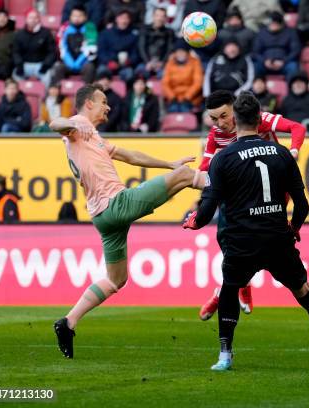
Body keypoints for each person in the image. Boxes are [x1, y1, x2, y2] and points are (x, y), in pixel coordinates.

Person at [183, 92, 309, 372]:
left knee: (229, 289)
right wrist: (294, 229)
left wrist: (193, 221)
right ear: (260, 119)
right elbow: (302, 204)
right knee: (303, 292)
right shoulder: (282, 154)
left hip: (242, 239)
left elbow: (208, 207)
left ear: (235, 119)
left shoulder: (224, 158)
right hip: (278, 237)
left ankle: (225, 355)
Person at [51, 83, 199, 359]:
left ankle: (68, 322)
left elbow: (130, 156)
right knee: (185, 177)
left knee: (116, 279)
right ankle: (232, 185)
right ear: (89, 104)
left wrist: (168, 163)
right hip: (116, 205)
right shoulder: (78, 126)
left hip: (103, 218)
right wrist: (69, 122)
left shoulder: (93, 137)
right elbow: (55, 124)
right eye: (103, 101)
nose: (108, 106)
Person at [196, 90, 306, 321]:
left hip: (272, 197)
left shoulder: (261, 120)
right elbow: (205, 166)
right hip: (245, 198)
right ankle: (238, 286)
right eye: (214, 119)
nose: (220, 123)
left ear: (235, 109)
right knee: (227, 238)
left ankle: (228, 290)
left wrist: (293, 150)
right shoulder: (215, 134)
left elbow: (298, 128)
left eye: (224, 116)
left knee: (249, 245)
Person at [12, 9, 57, 88]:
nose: (33, 20)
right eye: (30, 18)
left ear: (39, 19)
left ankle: (44, 98)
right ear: (26, 19)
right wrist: (19, 64)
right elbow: (15, 52)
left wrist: (46, 64)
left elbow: (52, 51)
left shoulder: (46, 33)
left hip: (41, 64)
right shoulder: (19, 34)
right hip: (24, 65)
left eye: (35, 18)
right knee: (15, 75)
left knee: (48, 77)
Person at [54, 5, 98, 84]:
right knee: (58, 67)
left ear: (85, 17)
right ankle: (57, 93)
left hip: (84, 63)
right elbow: (62, 47)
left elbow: (91, 48)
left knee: (90, 68)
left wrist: (78, 62)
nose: (76, 18)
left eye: (80, 16)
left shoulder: (90, 28)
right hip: (68, 62)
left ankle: (85, 94)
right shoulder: (64, 27)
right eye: (74, 15)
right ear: (70, 16)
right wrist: (69, 62)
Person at [97, 10, 141, 84]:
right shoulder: (105, 33)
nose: (123, 21)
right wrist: (108, 62)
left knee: (130, 74)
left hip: (125, 66)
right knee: (101, 72)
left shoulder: (133, 36)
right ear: (116, 19)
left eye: (126, 18)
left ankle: (128, 95)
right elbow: (101, 52)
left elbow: (135, 54)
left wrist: (128, 62)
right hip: (108, 64)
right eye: (121, 18)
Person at [252, 11, 301, 77]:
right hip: (265, 63)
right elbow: (255, 52)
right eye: (271, 23)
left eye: (276, 23)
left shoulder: (290, 32)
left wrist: (283, 61)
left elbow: (295, 51)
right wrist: (264, 61)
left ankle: (291, 87)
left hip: (284, 63)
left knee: (293, 66)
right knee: (255, 67)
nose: (273, 25)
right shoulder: (261, 33)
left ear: (281, 24)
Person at [161, 41, 204, 112]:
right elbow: (165, 83)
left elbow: (198, 83)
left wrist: (187, 97)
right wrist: (172, 97)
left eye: (182, 51)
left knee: (185, 110)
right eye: (178, 52)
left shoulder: (195, 62)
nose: (180, 54)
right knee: (172, 111)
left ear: (187, 52)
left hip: (190, 98)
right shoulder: (170, 63)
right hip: (174, 98)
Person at [136, 6, 174, 79]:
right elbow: (141, 47)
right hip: (145, 62)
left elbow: (169, 49)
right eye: (157, 15)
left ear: (166, 18)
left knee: (165, 75)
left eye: (162, 16)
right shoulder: (144, 29)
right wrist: (147, 62)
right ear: (153, 16)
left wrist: (162, 62)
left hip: (162, 63)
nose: (159, 19)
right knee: (140, 72)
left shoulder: (169, 32)